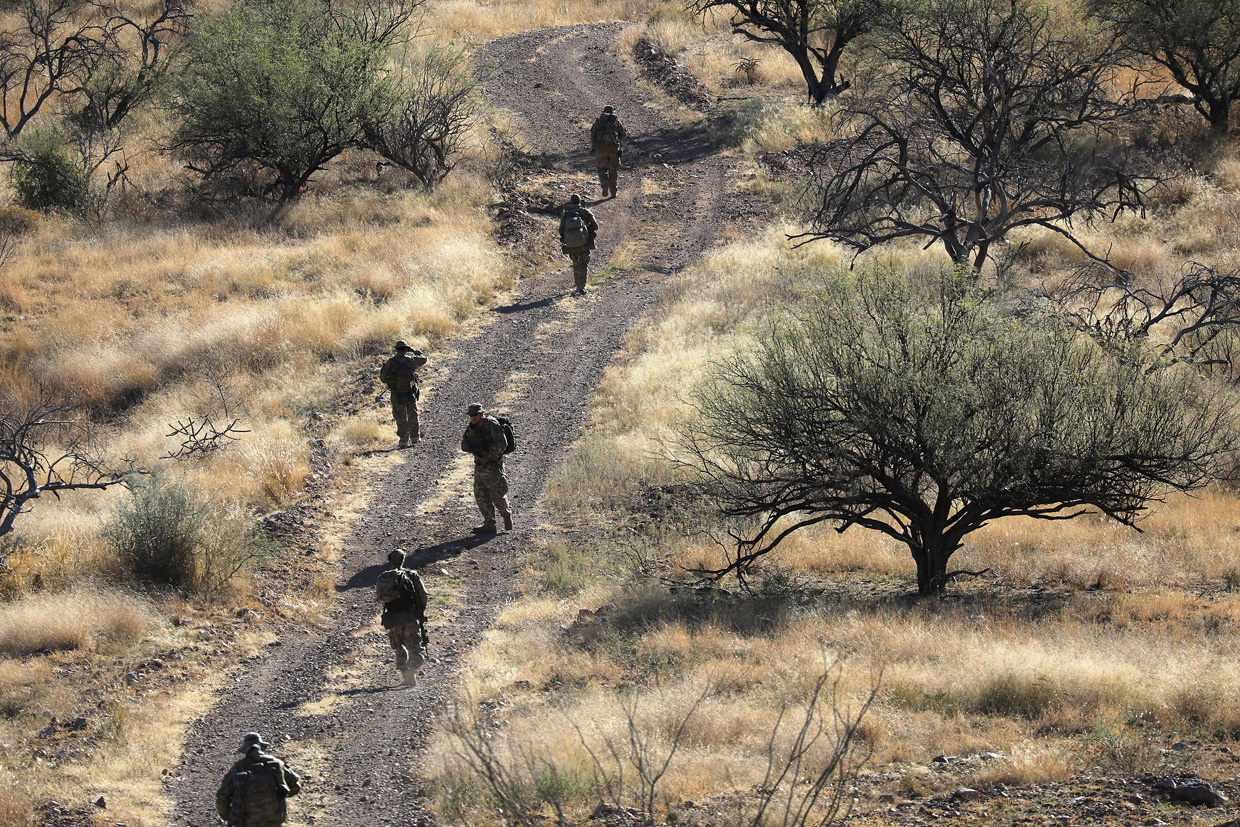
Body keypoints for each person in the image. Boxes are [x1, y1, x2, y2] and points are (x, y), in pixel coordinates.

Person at [215, 732, 301, 827]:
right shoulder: (276, 764)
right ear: (261, 746)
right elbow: (295, 786)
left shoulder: (238, 768)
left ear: (245, 750)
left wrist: (228, 816)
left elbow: (222, 796)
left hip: (245, 822)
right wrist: (276, 797)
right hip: (274, 820)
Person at [377, 548, 429, 686]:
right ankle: (412, 670)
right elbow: (423, 594)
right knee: (414, 646)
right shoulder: (411, 575)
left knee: (399, 646)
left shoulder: (385, 577)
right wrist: (421, 610)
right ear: (403, 560)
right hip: (410, 616)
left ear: (390, 560)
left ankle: (406, 678)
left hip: (394, 618)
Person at [460, 403, 512, 533]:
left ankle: (506, 516)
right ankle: (489, 523)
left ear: (481, 413)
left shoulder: (492, 425)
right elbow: (465, 439)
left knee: (497, 494)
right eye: (471, 416)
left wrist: (488, 458)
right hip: (479, 467)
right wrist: (466, 445)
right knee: (480, 494)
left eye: (475, 415)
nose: (473, 418)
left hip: (493, 466)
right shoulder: (472, 427)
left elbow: (502, 444)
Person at [378, 340, 428, 448]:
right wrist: (414, 351)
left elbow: (382, 378)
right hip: (410, 393)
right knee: (412, 415)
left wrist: (391, 381)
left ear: (396, 350)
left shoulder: (390, 362)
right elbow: (424, 358)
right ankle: (415, 438)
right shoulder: (411, 361)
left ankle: (403, 441)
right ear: (406, 349)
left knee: (400, 417)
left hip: (396, 394)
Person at [558, 193, 598, 295]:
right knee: (583, 263)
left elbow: (561, 231)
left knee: (576, 264)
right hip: (584, 243)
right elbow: (596, 226)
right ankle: (581, 286)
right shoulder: (585, 212)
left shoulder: (566, 215)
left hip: (571, 245)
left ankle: (577, 285)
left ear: (571, 202)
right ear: (580, 202)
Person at [590, 104, 627, 198]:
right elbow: (623, 135)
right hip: (613, 150)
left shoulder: (598, 122)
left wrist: (594, 147)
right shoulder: (616, 122)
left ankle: (605, 184)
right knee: (613, 170)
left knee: (601, 169)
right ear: (612, 112)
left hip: (601, 150)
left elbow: (592, 135)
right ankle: (613, 192)